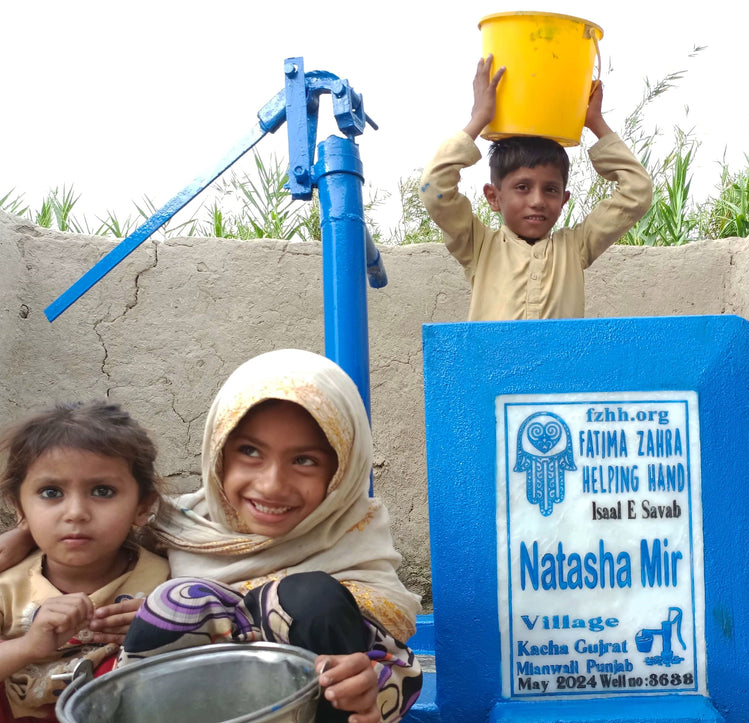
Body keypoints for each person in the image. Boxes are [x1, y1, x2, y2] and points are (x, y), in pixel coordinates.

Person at [115, 349, 421, 723]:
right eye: (249, 451)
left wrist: (367, 686)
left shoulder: (352, 541)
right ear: (219, 451)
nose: (272, 485)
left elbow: (388, 662)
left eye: (304, 460)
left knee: (310, 598)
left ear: (343, 471)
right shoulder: (170, 526)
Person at [419, 55, 653, 321]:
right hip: (493, 365)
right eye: (522, 187)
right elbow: (433, 188)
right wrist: (479, 119)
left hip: (560, 365)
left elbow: (638, 191)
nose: (538, 200)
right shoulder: (479, 246)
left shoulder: (575, 248)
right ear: (493, 197)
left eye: (551, 189)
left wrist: (595, 123)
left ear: (564, 199)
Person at [0, 401, 169, 722]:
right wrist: (28, 646)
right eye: (51, 492)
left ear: (142, 506)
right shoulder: (9, 587)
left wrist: (163, 629)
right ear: (19, 508)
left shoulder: (164, 579)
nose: (76, 512)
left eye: (102, 491)